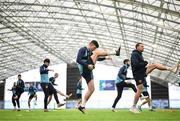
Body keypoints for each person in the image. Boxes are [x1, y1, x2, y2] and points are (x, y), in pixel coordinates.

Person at [130, 42, 180, 113]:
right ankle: (133, 107)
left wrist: (144, 64)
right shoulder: (134, 54)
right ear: (137, 47)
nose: (143, 48)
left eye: (143, 46)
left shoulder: (139, 54)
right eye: (142, 46)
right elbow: (135, 64)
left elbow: (141, 65)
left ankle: (171, 69)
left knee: (155, 65)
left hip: (142, 72)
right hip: (138, 74)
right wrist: (144, 63)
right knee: (139, 90)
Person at [76, 40, 121, 113]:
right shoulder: (83, 49)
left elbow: (97, 58)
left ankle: (82, 106)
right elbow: (78, 60)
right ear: (91, 45)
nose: (94, 49)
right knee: (96, 53)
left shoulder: (90, 52)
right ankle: (115, 52)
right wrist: (87, 65)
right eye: (94, 48)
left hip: (88, 71)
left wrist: (105, 58)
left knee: (92, 89)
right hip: (85, 68)